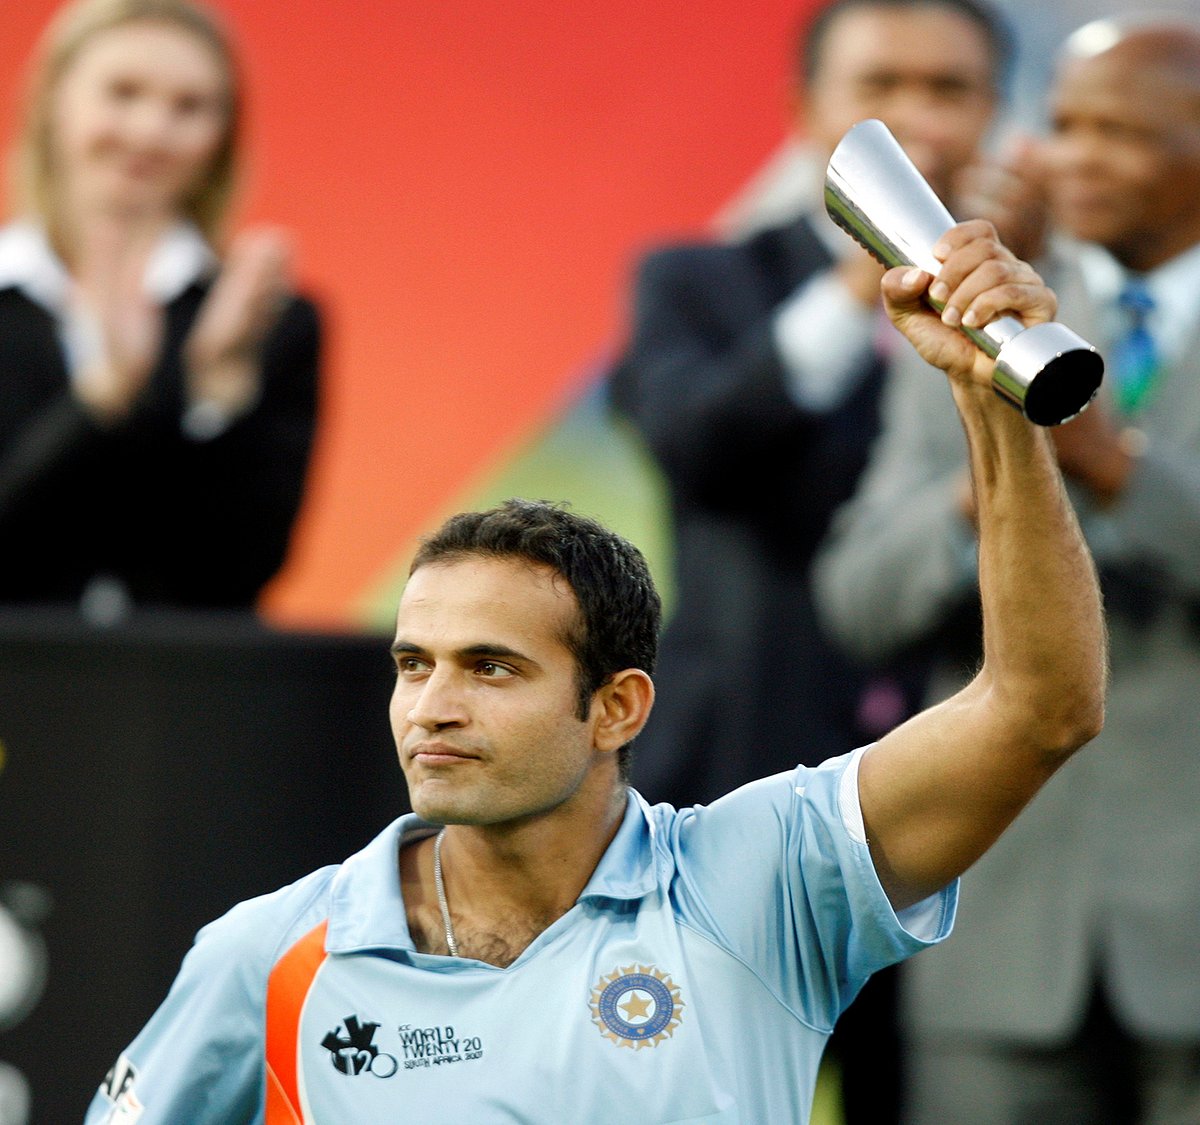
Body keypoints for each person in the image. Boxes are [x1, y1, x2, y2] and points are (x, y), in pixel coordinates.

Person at [85, 225, 1106, 1122]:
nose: (433, 707)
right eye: (413, 664)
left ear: (617, 707)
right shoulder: (272, 953)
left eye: (491, 668)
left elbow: (1038, 708)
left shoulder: (763, 881)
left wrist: (994, 406)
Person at [608, 1, 1013, 1115]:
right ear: (803, 111)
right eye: (880, 86)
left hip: (966, 815)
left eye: (951, 90)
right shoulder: (696, 280)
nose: (918, 120)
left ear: (997, 112)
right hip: (738, 783)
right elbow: (694, 443)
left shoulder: (1029, 307)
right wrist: (868, 275)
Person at [813, 17, 1200, 1124]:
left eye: (1120, 132)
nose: (1072, 156)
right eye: (1065, 123)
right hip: (1003, 936)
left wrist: (1110, 466)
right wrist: (998, 476)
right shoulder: (983, 322)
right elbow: (859, 595)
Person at [0, 0, 320, 614]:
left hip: (177, 696)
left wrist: (215, 401)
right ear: (51, 101)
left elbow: (238, 575)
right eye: (122, 93)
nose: (151, 132)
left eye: (190, 108)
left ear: (222, 137)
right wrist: (101, 402)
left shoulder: (267, 321)